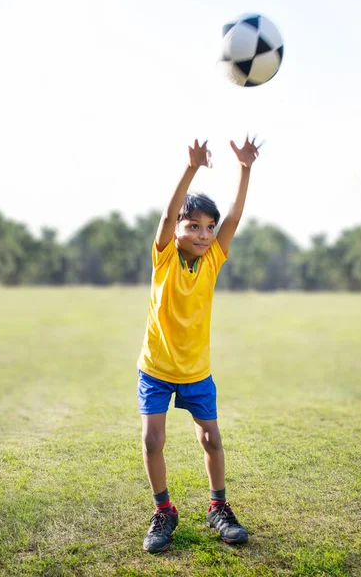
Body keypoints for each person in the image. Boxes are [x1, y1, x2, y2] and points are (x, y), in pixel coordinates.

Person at [137, 136, 260, 553]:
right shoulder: (165, 256)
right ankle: (164, 510)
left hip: (196, 371)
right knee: (153, 441)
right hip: (156, 367)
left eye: (210, 227)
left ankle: (218, 507)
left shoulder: (212, 260)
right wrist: (190, 168)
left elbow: (236, 216)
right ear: (177, 231)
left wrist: (244, 168)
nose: (205, 234)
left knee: (210, 440)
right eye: (194, 227)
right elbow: (170, 213)